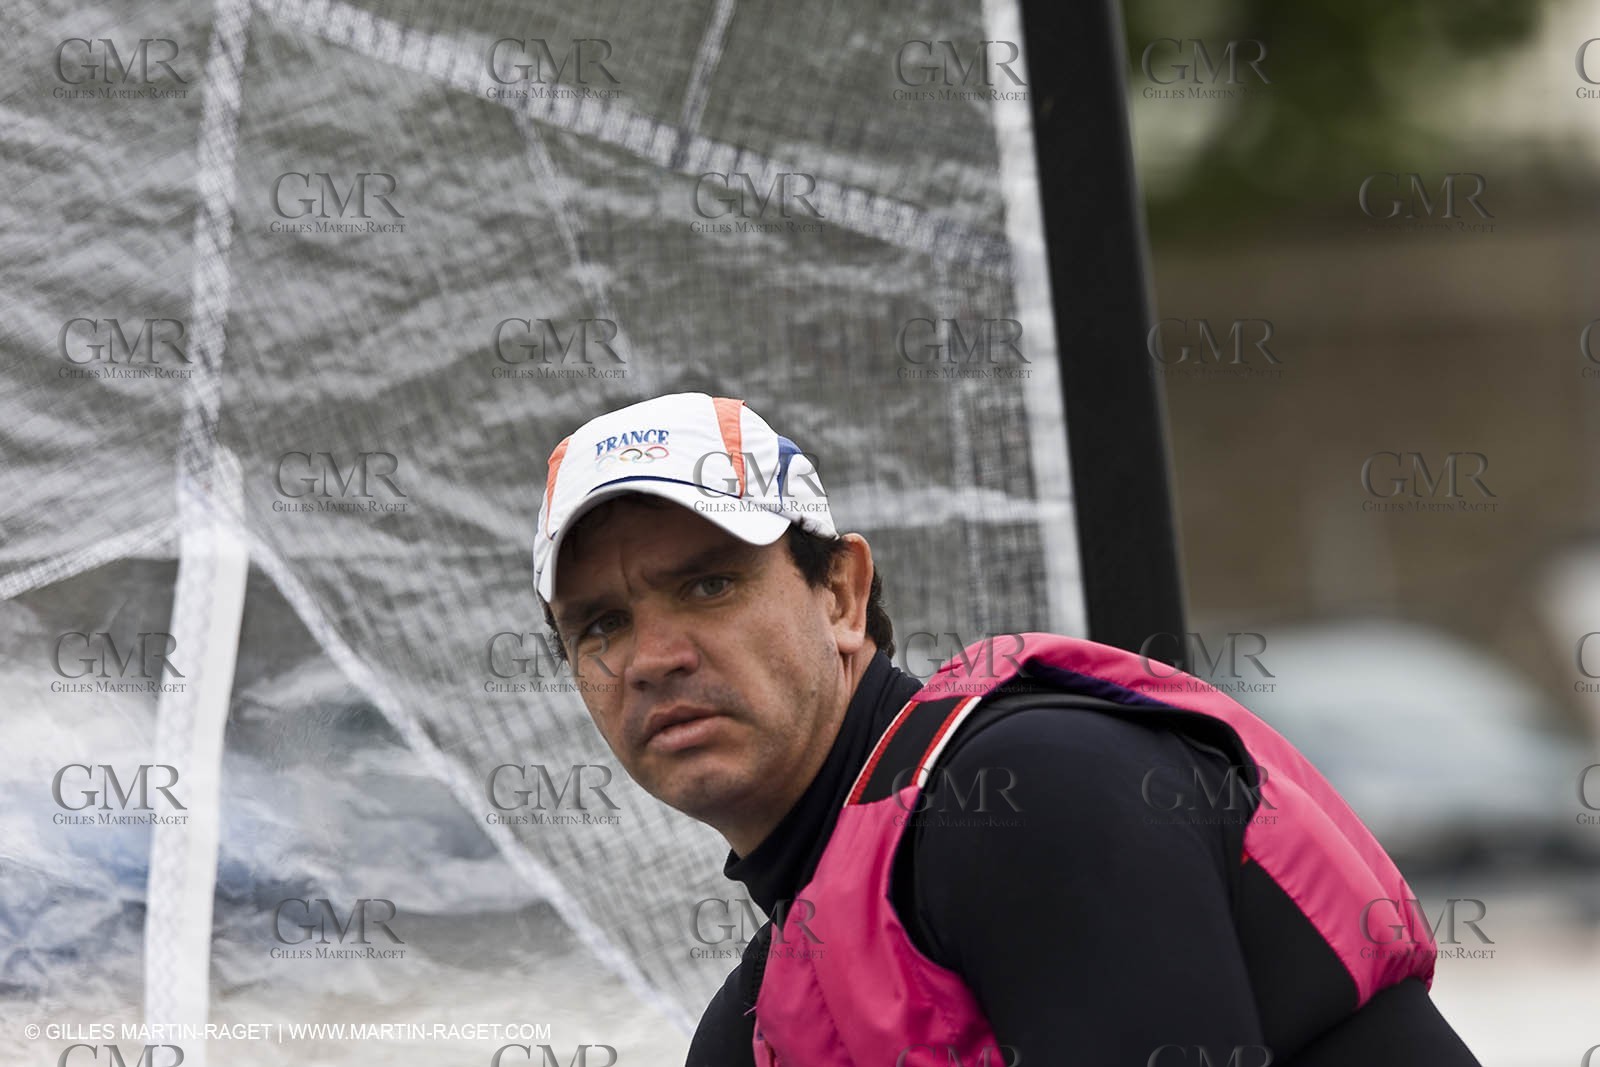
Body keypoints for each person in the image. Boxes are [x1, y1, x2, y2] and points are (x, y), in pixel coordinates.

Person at [532, 391, 1483, 1067]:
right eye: (601, 625)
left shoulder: (1026, 790)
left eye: (708, 583)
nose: (653, 655)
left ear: (842, 596)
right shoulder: (748, 1029)